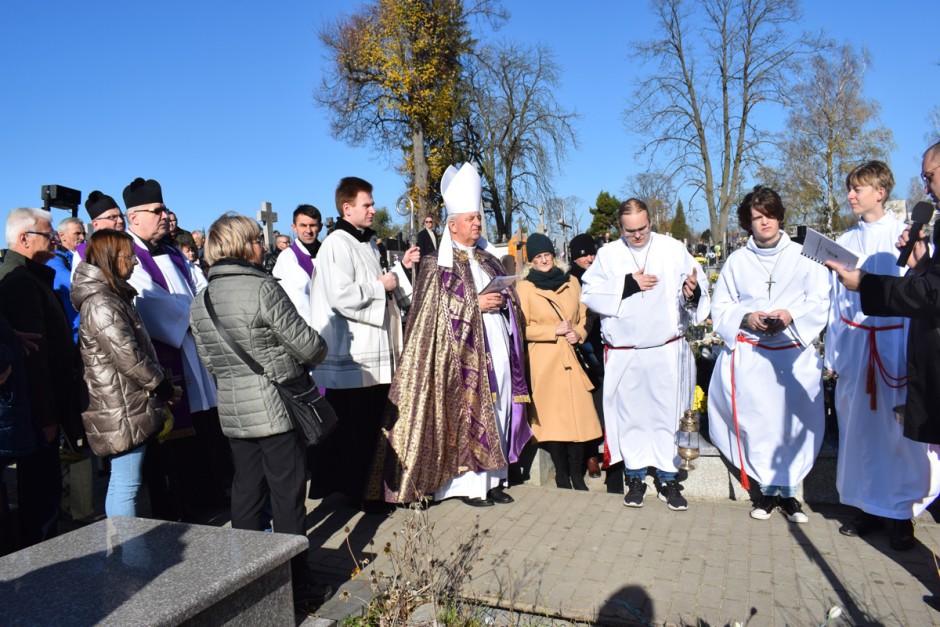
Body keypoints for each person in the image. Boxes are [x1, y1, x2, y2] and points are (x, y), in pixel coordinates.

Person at [190, 212, 332, 608]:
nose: (263, 246)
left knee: (246, 496)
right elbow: (308, 347)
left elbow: (209, 362)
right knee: (288, 500)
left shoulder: (200, 300)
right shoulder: (262, 288)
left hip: (234, 413)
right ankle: (295, 584)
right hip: (275, 409)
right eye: (256, 240)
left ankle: (246, 583)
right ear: (240, 246)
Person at [368, 163, 531, 506]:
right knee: (468, 412)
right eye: (471, 219)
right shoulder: (435, 265)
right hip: (458, 360)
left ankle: (494, 480)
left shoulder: (489, 259)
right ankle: (468, 486)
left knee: (498, 404)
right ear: (452, 225)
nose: (477, 223)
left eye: (478, 218)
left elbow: (508, 298)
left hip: (495, 344)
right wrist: (476, 303)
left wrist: (503, 301)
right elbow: (431, 317)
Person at [825, 161, 940, 549]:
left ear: (881, 192)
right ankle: (866, 506)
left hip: (894, 344)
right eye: (849, 189)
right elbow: (835, 303)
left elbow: (921, 294)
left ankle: (901, 513)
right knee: (860, 431)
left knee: (899, 434)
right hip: (858, 345)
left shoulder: (906, 235)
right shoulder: (844, 240)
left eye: (858, 189)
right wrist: (834, 354)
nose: (850, 196)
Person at [707, 186, 829, 524]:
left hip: (792, 356)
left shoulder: (805, 256)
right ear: (748, 223)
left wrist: (790, 315)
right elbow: (722, 306)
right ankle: (765, 492)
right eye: (757, 218)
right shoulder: (737, 261)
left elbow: (820, 300)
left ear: (779, 215)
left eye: (770, 215)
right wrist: (748, 318)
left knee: (789, 426)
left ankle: (789, 496)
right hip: (754, 357)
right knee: (758, 424)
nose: (765, 223)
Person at [581, 199, 708, 511]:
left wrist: (692, 291)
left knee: (668, 415)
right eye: (630, 231)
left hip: (666, 349)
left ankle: (668, 478)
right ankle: (635, 477)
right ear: (619, 228)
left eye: (643, 228)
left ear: (651, 222)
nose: (638, 235)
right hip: (627, 353)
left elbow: (695, 281)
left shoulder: (672, 248)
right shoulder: (609, 255)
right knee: (632, 416)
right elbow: (590, 293)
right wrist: (627, 284)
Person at [122, 177, 230, 521]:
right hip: (169, 355)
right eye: (156, 210)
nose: (163, 215)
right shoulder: (130, 256)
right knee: (176, 441)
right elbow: (149, 303)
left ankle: (210, 492)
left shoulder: (172, 253)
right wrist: (196, 313)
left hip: (195, 351)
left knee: (206, 427)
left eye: (163, 209)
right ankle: (182, 504)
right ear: (133, 216)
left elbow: (201, 289)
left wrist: (201, 309)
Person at [308, 177, 419, 508]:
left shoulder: (367, 243)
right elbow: (340, 296)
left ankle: (370, 488)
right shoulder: (336, 244)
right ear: (347, 208)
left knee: (371, 424)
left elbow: (383, 282)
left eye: (372, 204)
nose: (373, 210)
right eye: (367, 205)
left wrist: (402, 269)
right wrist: (379, 287)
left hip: (374, 352)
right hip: (353, 355)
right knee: (353, 429)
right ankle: (353, 491)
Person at [71, 229, 179, 517]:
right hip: (119, 404)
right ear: (111, 259)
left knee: (127, 481)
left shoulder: (111, 297)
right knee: (125, 484)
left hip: (126, 399)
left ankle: (129, 553)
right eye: (129, 256)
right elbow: (127, 356)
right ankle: (126, 557)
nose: (134, 263)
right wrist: (161, 386)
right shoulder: (102, 302)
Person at [0, 208, 83, 547]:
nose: (54, 240)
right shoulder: (20, 282)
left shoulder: (31, 277)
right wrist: (48, 418)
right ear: (23, 239)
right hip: (35, 414)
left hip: (38, 411)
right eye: (47, 234)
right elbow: (36, 360)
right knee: (40, 499)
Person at [516, 233, 601, 490]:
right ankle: (562, 475)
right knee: (554, 423)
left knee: (579, 420)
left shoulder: (572, 281)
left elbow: (587, 315)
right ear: (531, 261)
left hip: (572, 359)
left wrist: (579, 332)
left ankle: (577, 474)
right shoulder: (525, 288)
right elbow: (520, 327)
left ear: (554, 256)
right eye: (538, 257)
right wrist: (552, 331)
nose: (544, 261)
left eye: (547, 255)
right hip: (545, 363)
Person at [568, 232, 605, 482]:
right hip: (582, 346)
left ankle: (604, 448)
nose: (589, 258)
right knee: (588, 403)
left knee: (602, 401)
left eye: (592, 253)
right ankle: (590, 455)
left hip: (604, 344)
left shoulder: (602, 275)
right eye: (584, 255)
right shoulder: (570, 280)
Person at [273, 205, 322, 324]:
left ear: (320, 227)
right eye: (303, 225)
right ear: (294, 227)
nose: (308, 231)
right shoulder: (288, 258)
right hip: (309, 328)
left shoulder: (328, 252)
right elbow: (298, 303)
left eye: (313, 225)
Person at [48, 217, 85, 342]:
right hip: (73, 334)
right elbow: (75, 285)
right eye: (77, 234)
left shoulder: (80, 255)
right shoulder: (54, 260)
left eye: (83, 234)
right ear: (62, 236)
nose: (82, 238)